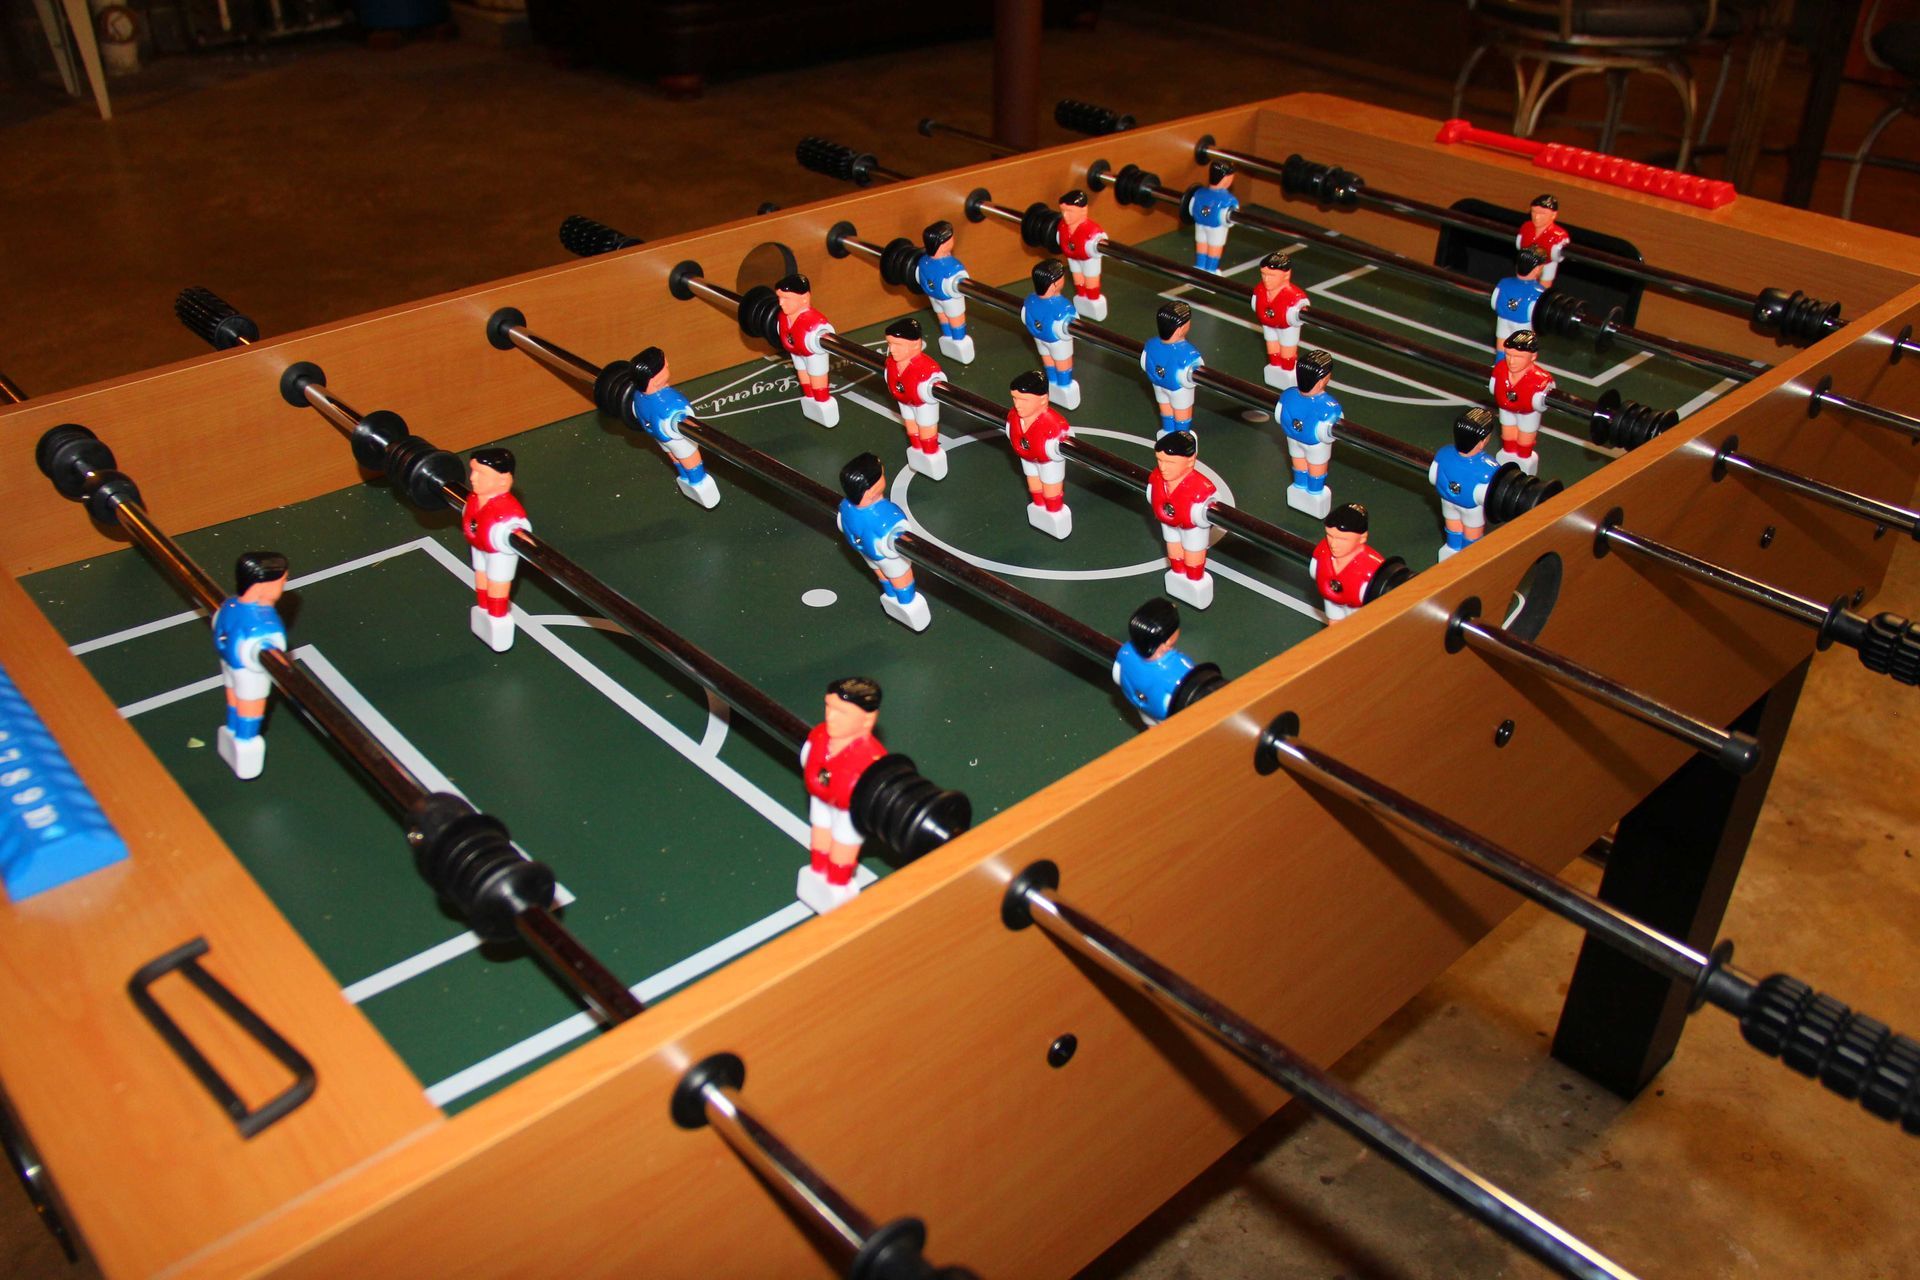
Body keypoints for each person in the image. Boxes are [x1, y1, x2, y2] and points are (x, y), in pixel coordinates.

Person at [796, 676, 889, 915]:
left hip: (849, 811)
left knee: (843, 843)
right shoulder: (818, 737)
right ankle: (817, 870)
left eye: (842, 712)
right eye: (829, 707)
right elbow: (807, 759)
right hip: (821, 799)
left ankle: (837, 883)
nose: (831, 717)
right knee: (820, 832)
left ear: (868, 719)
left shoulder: (872, 759)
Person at [211, 550, 288, 780]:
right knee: (250, 706)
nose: (283, 587)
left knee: (233, 697)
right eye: (282, 582)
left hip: (229, 663)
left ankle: (232, 729)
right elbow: (275, 649)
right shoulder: (266, 623)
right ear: (263, 585)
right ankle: (245, 743)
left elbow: (217, 624)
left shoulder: (229, 605)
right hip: (250, 672)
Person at [837, 453, 930, 630]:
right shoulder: (887, 514)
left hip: (866, 553)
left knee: (881, 574)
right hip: (887, 556)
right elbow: (901, 534)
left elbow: (842, 524)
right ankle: (907, 603)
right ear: (870, 490)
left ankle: (890, 595)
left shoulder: (846, 507)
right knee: (901, 577)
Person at [626, 346, 720, 508]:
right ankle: (699, 483)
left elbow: (641, 417)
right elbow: (687, 416)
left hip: (661, 439)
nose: (668, 366)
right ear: (655, 379)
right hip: (677, 437)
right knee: (690, 458)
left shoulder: (637, 397)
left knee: (674, 457)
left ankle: (684, 477)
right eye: (666, 366)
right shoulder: (670, 402)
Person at [464, 447, 532, 652]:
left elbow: (523, 530)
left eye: (481, 473)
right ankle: (484, 608)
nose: (473, 478)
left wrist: (515, 535)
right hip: (479, 545)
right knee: (481, 576)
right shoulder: (473, 500)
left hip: (499, 552)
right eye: (473, 471)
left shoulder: (509, 512)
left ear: (503, 481)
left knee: (497, 582)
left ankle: (497, 617)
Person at [1148, 431, 1217, 608]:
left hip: (1191, 526)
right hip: (1168, 522)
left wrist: (1199, 514)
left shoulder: (1201, 488)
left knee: (1193, 551)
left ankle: (1194, 579)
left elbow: (1206, 509)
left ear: (1190, 461)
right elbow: (1152, 493)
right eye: (1160, 460)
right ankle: (1177, 572)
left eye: (1170, 462)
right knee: (1173, 548)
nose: (1163, 467)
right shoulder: (1156, 478)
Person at [1006, 371, 1074, 538]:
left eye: (1024, 400)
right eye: (1015, 399)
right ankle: (1038, 505)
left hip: (1048, 461)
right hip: (1027, 457)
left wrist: (1054, 449)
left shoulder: (1054, 425)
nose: (1018, 405)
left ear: (1043, 399)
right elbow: (1010, 431)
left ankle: (1053, 511)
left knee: (1050, 487)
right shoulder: (1013, 417)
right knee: (1033, 483)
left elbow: (1068, 437)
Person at [1429, 407, 1502, 561]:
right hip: (1472, 508)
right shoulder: (1488, 468)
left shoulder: (1443, 454)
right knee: (1472, 533)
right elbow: (1492, 494)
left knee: (1452, 526)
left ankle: (1452, 549)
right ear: (1482, 442)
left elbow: (1433, 477)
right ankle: (1470, 557)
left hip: (1448, 502)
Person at [1111, 598, 1197, 727]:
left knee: (1151, 725)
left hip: (1144, 709)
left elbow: (1117, 676)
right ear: (1168, 640)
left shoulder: (1126, 653)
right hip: (1168, 715)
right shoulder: (1180, 668)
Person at [1276, 349, 1341, 517]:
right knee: (1316, 467)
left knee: (1298, 463)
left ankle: (1299, 487)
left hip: (1293, 439)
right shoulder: (1329, 406)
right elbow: (1334, 430)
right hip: (1316, 444)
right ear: (1323, 379)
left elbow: (1278, 415)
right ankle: (1314, 492)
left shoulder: (1288, 395)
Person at [883, 317, 948, 479]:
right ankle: (917, 449)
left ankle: (930, 454)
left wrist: (929, 388)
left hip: (923, 404)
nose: (892, 349)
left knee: (926, 428)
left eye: (898, 345)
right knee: (911, 427)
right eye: (890, 344)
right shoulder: (891, 363)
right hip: (904, 401)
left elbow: (940, 380)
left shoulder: (928, 369)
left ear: (915, 345)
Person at [775, 273, 839, 426]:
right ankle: (810, 398)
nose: (781, 303)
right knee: (803, 376)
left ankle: (823, 402)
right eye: (779, 298)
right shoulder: (782, 318)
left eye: (786, 298)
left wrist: (825, 338)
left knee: (817, 377)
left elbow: (830, 336)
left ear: (804, 298)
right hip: (796, 352)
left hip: (813, 354)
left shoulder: (816, 323)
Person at [1489, 328, 1555, 475]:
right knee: (1508, 442)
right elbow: (1493, 386)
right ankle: (1506, 466)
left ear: (1533, 356)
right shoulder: (1500, 369)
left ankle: (1523, 469)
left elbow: (1544, 400)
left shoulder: (1542, 380)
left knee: (1524, 448)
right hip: (1506, 410)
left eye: (1518, 357)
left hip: (1528, 414)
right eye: (1508, 355)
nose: (1511, 361)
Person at [1021, 259, 1081, 409]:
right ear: (1055, 283)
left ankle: (1052, 381)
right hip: (1058, 341)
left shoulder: (1030, 300)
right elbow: (1075, 323)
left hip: (1039, 339)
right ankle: (1064, 385)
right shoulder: (1064, 307)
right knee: (1062, 362)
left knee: (1047, 360)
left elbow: (1024, 316)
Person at [913, 220, 976, 363]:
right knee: (956, 318)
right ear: (944, 243)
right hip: (950, 298)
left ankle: (947, 336)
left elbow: (918, 277)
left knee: (942, 316)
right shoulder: (953, 266)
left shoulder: (923, 262)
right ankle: (959, 340)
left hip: (934, 298)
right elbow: (963, 280)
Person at [1312, 504, 1387, 621]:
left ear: (1362, 538)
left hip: (1358, 610)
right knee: (1334, 623)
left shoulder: (1373, 568)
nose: (1333, 544)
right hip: (1331, 601)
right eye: (1330, 536)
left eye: (1342, 539)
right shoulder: (1322, 553)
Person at [1140, 300, 1204, 436]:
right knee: (1182, 413)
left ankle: (1167, 431)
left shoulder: (1150, 345)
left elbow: (1144, 363)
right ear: (1181, 329)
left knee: (1165, 408)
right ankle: (1182, 436)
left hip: (1158, 385)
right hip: (1179, 389)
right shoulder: (1188, 353)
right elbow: (1197, 374)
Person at [1251, 252, 1310, 390]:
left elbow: (1303, 310)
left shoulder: (1295, 297)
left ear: (1286, 275)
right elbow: (1255, 304)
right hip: (1268, 325)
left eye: (1272, 275)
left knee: (1287, 350)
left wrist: (1294, 315)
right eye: (1263, 274)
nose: (1266, 279)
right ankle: (1275, 367)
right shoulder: (1259, 290)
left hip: (1287, 328)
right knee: (1272, 347)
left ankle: (1287, 370)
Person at [1057, 189, 1109, 321]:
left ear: (1083, 211)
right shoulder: (1062, 227)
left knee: (1090, 278)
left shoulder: (1092, 230)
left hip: (1089, 259)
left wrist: (1097, 245)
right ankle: (1081, 296)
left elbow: (1103, 240)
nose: (1065, 216)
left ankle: (1093, 299)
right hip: (1073, 258)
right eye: (1063, 211)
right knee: (1077, 278)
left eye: (1070, 211)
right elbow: (1059, 238)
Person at [1187, 159, 1239, 272]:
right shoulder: (1229, 200)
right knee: (1215, 246)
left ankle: (1200, 266)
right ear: (1226, 179)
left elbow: (1191, 208)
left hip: (1200, 225)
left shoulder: (1199, 193)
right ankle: (1211, 270)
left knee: (1201, 243)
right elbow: (1231, 217)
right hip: (1216, 228)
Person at [1492, 248, 1548, 349]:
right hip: (1524, 326)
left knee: (1502, 346)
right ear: (1537, 269)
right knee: (1520, 352)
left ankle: (1501, 359)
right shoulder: (1539, 293)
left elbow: (1494, 303)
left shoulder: (1504, 283)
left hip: (1503, 321)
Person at [1515, 193, 1570, 288]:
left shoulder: (1559, 235)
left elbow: (1558, 255)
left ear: (1553, 215)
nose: (1537, 217)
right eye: (1534, 212)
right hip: (1526, 263)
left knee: (1544, 286)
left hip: (1547, 264)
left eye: (1542, 213)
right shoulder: (1526, 227)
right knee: (1522, 283)